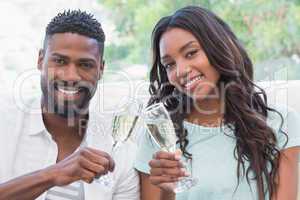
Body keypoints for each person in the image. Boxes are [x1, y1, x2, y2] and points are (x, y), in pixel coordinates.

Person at [134, 6, 300, 200]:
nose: (180, 71)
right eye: (169, 64)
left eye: (191, 53)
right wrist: (168, 192)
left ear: (219, 47)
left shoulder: (282, 122)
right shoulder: (159, 133)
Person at [0, 10, 139, 200]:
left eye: (85, 65)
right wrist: (52, 175)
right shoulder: (4, 123)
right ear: (41, 60)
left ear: (101, 69)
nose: (71, 76)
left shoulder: (119, 151)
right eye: (60, 61)